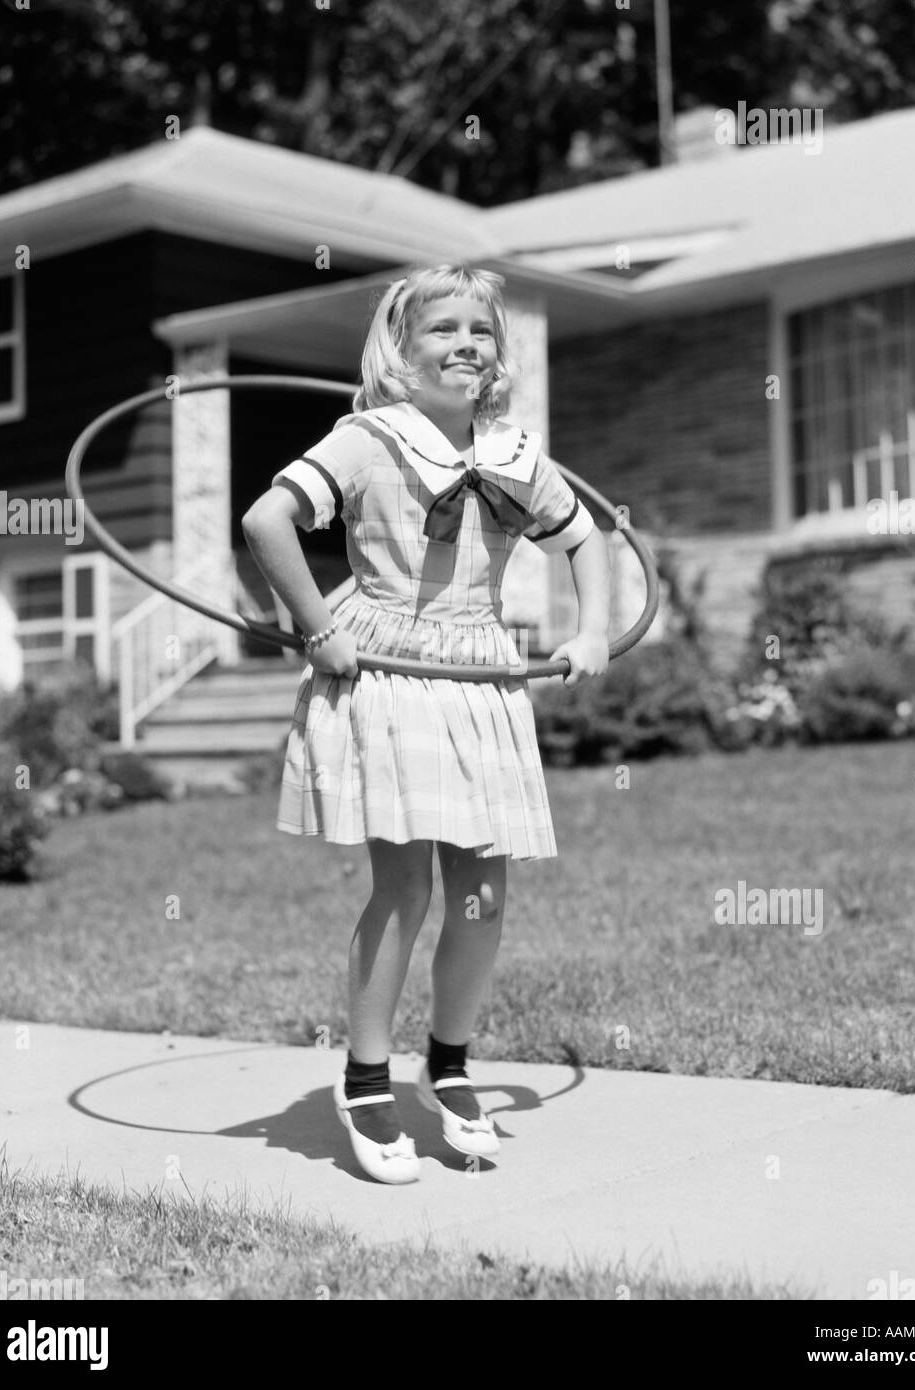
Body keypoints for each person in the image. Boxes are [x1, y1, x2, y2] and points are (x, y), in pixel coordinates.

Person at [242, 264, 610, 1184]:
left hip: (479, 670)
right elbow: (266, 520)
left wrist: (592, 626)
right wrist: (316, 627)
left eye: (480, 331)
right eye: (442, 329)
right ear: (399, 353)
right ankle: (366, 1078)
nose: (465, 345)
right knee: (404, 887)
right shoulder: (368, 440)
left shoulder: (514, 454)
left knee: (484, 896)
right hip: (388, 666)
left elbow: (586, 537)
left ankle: (448, 1063)